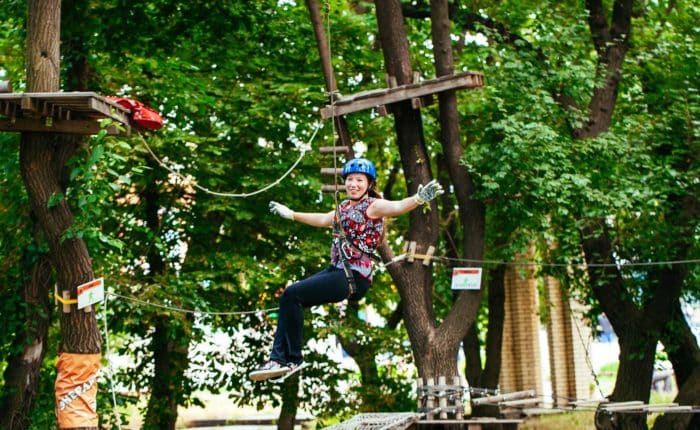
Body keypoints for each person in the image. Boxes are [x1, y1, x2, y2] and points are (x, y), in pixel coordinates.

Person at [249, 158, 444, 381]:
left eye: (359, 180)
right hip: (337, 270)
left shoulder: (373, 205)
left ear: (369, 184)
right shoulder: (342, 208)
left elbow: (398, 206)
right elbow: (323, 219)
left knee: (292, 295)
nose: (353, 184)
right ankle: (280, 359)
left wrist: (418, 199)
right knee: (289, 297)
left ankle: (291, 359)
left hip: (354, 276)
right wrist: (292, 214)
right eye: (350, 179)